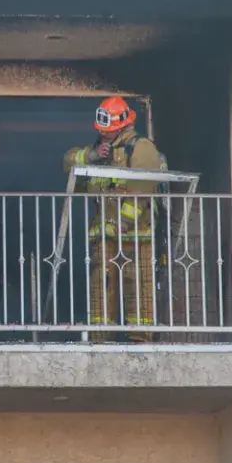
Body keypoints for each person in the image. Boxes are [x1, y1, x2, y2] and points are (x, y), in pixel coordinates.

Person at [63, 95, 162, 342]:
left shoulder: (141, 147)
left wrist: (123, 223)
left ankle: (141, 339)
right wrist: (91, 156)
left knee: (138, 286)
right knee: (101, 288)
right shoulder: (100, 150)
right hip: (105, 237)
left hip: (136, 237)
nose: (102, 133)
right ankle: (100, 338)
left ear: (122, 124)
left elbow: (142, 189)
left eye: (107, 129)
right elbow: (67, 162)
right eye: (100, 129)